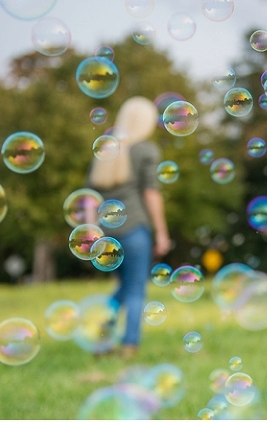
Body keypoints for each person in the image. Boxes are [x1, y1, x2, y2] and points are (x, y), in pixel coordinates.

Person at [88, 96, 171, 358]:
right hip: (135, 228)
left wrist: (92, 232)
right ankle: (129, 345)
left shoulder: (106, 150)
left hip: (107, 231)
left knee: (124, 287)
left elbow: (90, 197)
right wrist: (161, 231)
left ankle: (102, 339)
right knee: (136, 288)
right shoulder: (145, 150)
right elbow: (151, 194)